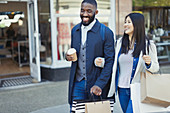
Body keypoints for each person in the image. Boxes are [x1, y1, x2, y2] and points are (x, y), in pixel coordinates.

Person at [65, 0, 115, 111]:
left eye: (89, 11)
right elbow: (76, 53)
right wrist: (67, 56)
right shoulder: (75, 30)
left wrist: (100, 84)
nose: (85, 14)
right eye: (82, 10)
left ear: (96, 12)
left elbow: (110, 62)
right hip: (78, 82)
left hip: (96, 84)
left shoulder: (106, 32)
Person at [106, 13, 159, 113]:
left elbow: (156, 68)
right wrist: (99, 62)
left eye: (129, 22)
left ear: (137, 24)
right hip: (121, 89)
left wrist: (149, 63)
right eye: (125, 22)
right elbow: (113, 63)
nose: (125, 25)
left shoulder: (148, 45)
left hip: (138, 89)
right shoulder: (119, 43)